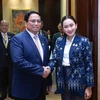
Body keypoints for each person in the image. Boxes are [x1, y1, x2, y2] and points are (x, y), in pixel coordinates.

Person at [48, 15, 94, 100]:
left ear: (76, 25)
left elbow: (89, 65)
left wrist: (89, 87)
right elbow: (54, 59)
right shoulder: (59, 41)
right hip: (63, 80)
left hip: (79, 82)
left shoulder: (84, 41)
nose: (69, 29)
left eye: (71, 25)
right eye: (66, 27)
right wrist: (48, 68)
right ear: (62, 28)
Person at [10, 10, 52, 100]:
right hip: (24, 89)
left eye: (38, 21)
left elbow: (46, 61)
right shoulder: (17, 39)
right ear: (26, 23)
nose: (36, 23)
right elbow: (18, 61)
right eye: (33, 21)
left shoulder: (44, 39)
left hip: (41, 87)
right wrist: (41, 70)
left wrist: (49, 82)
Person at [0, 20, 14, 100]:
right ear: (0, 26)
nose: (4, 27)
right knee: (2, 79)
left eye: (6, 25)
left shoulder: (12, 36)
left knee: (11, 78)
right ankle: (3, 93)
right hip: (1, 62)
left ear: (8, 26)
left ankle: (11, 93)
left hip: (10, 62)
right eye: (2, 25)